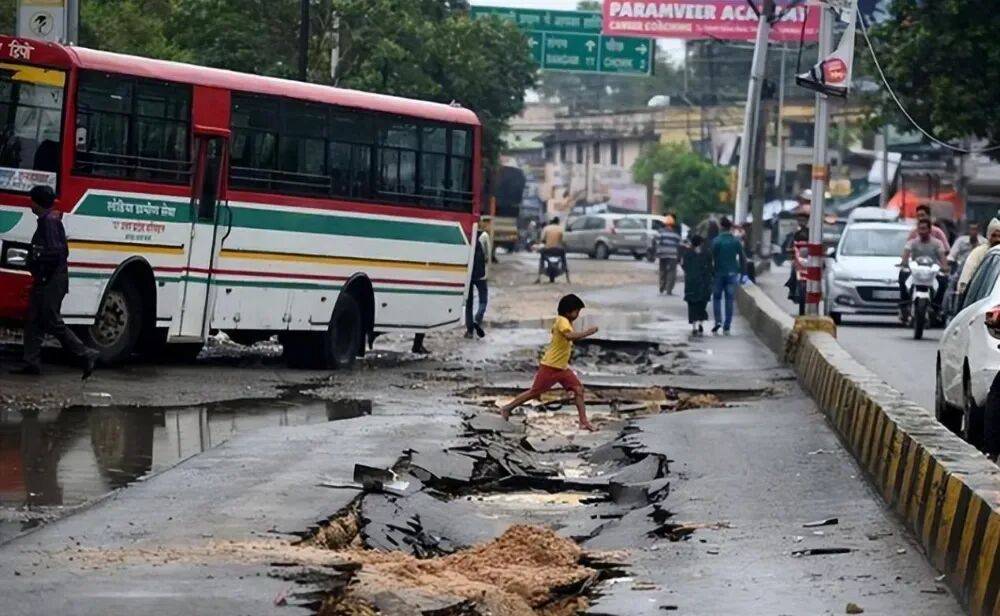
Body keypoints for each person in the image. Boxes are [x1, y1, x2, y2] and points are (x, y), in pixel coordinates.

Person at [10, 186, 99, 378]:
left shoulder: (49, 222)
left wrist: (38, 262)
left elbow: (56, 253)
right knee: (34, 320)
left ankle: (85, 353)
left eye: (31, 199)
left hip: (51, 279)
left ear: (36, 202)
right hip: (46, 278)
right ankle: (31, 363)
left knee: (52, 320)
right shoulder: (47, 220)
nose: (29, 203)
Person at [498, 294, 598, 431]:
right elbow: (569, 336)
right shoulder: (562, 321)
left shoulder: (566, 322)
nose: (578, 315)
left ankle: (583, 422)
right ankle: (507, 408)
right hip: (551, 366)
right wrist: (587, 332)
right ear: (568, 311)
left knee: (578, 389)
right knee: (534, 392)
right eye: (577, 311)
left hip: (562, 367)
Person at [898, 218, 948, 320]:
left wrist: (945, 267)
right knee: (902, 275)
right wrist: (904, 263)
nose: (922, 231)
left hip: (932, 272)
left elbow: (942, 258)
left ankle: (936, 307)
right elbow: (906, 254)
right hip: (916, 272)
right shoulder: (912, 242)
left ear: (930, 230)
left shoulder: (937, 243)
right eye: (920, 229)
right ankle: (904, 304)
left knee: (943, 281)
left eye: (924, 229)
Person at [710, 217, 746, 335]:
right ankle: (727, 326)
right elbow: (742, 258)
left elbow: (711, 258)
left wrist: (711, 273)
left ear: (721, 227)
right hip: (732, 273)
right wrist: (743, 274)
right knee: (729, 299)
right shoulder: (736, 241)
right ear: (730, 227)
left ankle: (717, 322)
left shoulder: (716, 241)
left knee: (716, 298)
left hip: (718, 273)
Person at [958, 218, 1000, 296]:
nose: (997, 239)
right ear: (988, 235)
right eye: (994, 235)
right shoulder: (978, 253)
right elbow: (965, 281)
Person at [682, 234, 713, 335]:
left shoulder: (687, 253)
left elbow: (684, 266)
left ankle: (694, 325)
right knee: (702, 305)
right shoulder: (707, 253)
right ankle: (701, 323)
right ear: (701, 243)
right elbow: (710, 268)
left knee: (692, 305)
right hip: (704, 283)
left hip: (691, 283)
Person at [465, 230, 489, 339]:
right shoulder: (484, 236)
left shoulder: (467, 234)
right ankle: (477, 320)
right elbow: (487, 255)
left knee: (468, 304)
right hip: (481, 275)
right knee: (483, 300)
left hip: (469, 274)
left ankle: (469, 331)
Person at [535, 216, 570, 284]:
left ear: (551, 222)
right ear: (558, 222)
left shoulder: (546, 228)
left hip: (548, 250)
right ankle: (567, 277)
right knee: (564, 259)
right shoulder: (561, 229)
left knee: (542, 257)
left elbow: (542, 239)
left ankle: (539, 276)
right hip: (558, 251)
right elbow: (564, 241)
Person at [783, 213, 810, 301]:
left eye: (804, 220)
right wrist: (789, 250)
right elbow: (788, 245)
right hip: (797, 258)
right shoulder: (794, 233)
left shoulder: (811, 233)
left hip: (808, 258)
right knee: (793, 272)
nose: (802, 222)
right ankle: (792, 290)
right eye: (800, 220)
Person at [656, 220, 682, 295]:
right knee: (672, 272)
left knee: (662, 270)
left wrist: (657, 253)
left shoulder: (660, 232)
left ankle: (661, 286)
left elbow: (657, 242)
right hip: (673, 255)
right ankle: (669, 290)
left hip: (662, 254)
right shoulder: (676, 234)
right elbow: (679, 244)